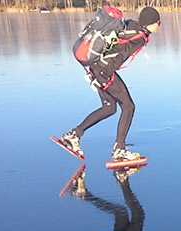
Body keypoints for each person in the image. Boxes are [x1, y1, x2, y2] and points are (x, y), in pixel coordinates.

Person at [60, 7, 161, 162]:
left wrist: (97, 75)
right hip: (104, 70)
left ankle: (73, 135)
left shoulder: (130, 25)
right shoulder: (139, 37)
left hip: (95, 66)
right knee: (128, 106)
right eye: (157, 22)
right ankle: (119, 150)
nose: (159, 25)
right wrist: (103, 77)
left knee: (109, 108)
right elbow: (119, 57)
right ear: (149, 24)